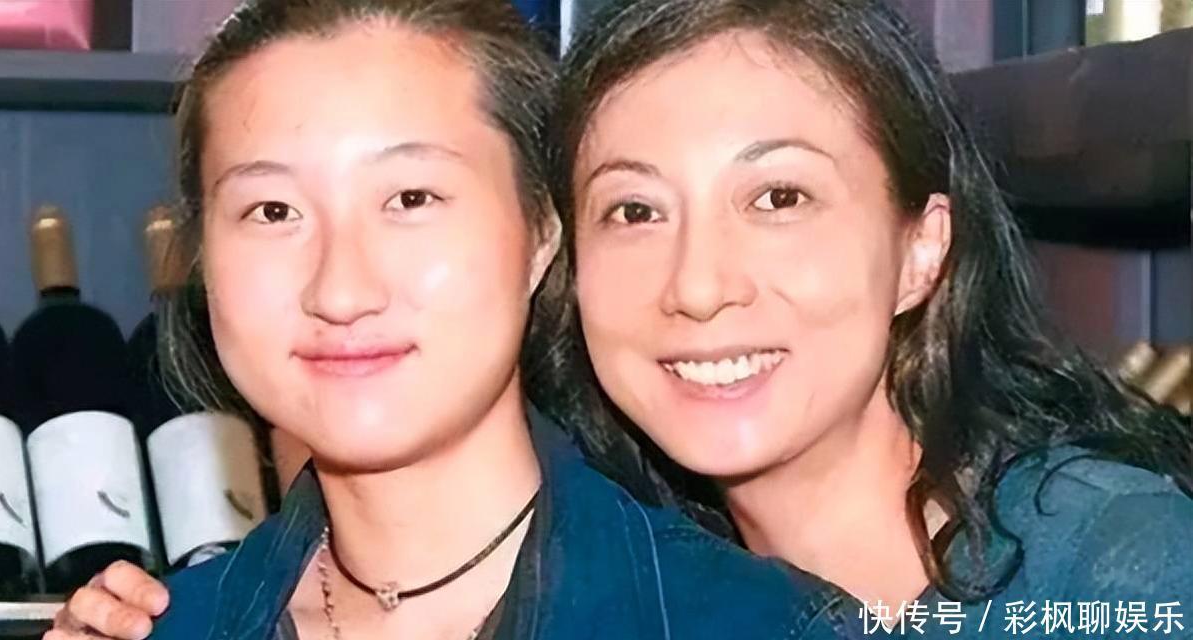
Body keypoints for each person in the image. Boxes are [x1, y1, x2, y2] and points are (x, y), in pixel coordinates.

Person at [50, 0, 1193, 637]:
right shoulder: (626, 516)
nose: (698, 284)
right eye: (636, 209)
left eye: (779, 197)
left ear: (921, 245)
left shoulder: (1115, 571)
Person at [42, 1, 854, 639]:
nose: (341, 290)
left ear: (540, 234)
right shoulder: (161, 626)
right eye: (273, 210)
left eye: (411, 198)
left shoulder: (755, 624)